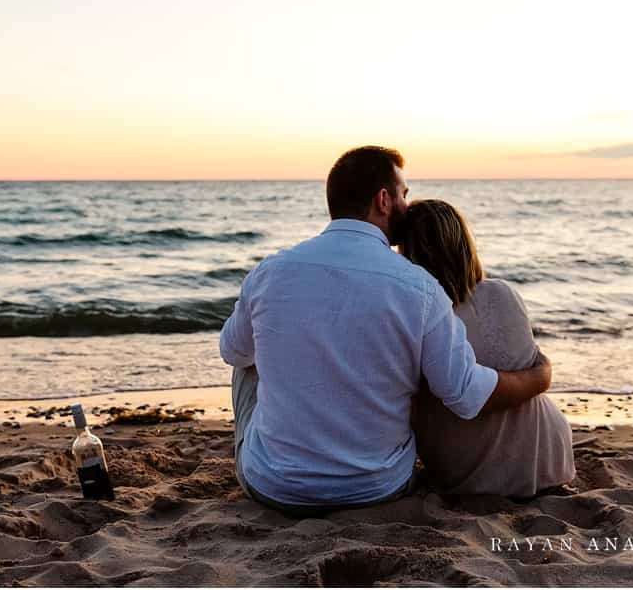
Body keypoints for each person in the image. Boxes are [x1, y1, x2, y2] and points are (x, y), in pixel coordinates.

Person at [219, 146, 553, 517]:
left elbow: (232, 353)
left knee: (244, 358)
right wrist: (538, 378)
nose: (407, 206)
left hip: (275, 486)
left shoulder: (270, 272)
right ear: (384, 199)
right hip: (376, 487)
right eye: (404, 194)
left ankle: (287, 447)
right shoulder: (421, 288)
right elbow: (463, 393)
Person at [399, 199, 576, 498]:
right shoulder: (502, 293)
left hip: (471, 475)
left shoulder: (415, 314)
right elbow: (530, 366)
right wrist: (543, 372)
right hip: (549, 459)